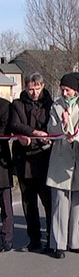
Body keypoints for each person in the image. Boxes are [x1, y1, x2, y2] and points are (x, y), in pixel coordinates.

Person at [46, 72, 79, 259]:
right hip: (60, 156)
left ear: (75, 89)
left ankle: (76, 242)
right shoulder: (56, 106)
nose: (64, 93)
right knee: (60, 201)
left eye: (68, 89)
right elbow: (50, 129)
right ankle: (58, 243)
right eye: (62, 89)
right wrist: (63, 125)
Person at [11, 72, 53, 252]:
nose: (34, 92)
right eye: (30, 89)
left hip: (43, 160)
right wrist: (33, 133)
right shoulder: (18, 104)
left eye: (37, 88)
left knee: (49, 202)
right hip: (24, 162)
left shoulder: (50, 105)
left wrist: (35, 137)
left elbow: (50, 130)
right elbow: (15, 125)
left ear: (42, 86)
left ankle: (52, 239)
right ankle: (34, 239)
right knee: (29, 204)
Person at [0, 97, 14, 252]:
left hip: (1, 161)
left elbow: (5, 131)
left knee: (5, 204)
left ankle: (7, 238)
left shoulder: (4, 105)